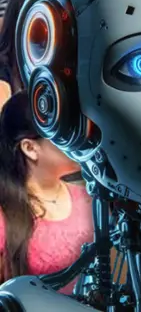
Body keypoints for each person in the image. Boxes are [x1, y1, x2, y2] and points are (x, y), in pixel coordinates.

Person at [0, 92, 93, 292]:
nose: (79, 140)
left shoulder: (89, 199)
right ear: (30, 148)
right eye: (65, 135)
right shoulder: (5, 219)